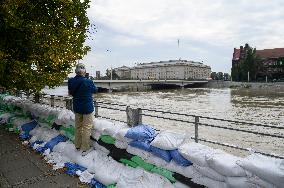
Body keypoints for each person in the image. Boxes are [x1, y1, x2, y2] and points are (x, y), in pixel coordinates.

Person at [68, 63, 97, 155]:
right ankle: (85, 148)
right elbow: (95, 90)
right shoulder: (87, 81)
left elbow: (71, 93)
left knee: (78, 127)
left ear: (76, 71)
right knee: (87, 128)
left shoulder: (71, 81)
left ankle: (77, 145)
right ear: (84, 71)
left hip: (77, 107)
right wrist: (88, 80)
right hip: (87, 108)